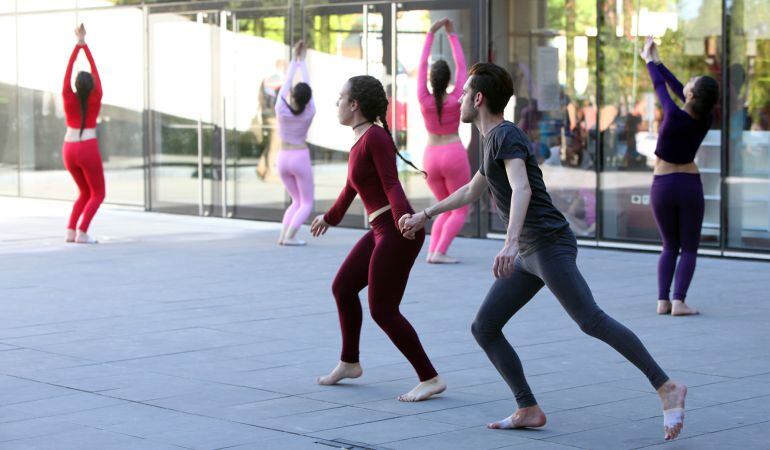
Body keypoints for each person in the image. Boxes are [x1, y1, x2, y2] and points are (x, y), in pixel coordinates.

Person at [400, 62, 688, 440]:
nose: (459, 98)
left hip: (548, 244)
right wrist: (426, 213)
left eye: (465, 91)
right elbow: (471, 191)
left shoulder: (505, 136)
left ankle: (666, 386)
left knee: (591, 320)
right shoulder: (491, 141)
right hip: (529, 250)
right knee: (484, 327)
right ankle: (528, 408)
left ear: (479, 97)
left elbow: (522, 188)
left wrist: (510, 243)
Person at [310, 75, 445, 402]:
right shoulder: (361, 139)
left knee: (383, 309)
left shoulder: (375, 139)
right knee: (342, 287)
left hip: (398, 230)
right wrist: (329, 218)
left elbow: (391, 184)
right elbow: (351, 189)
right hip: (382, 229)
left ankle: (430, 378)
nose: (337, 103)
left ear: (354, 104)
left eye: (341, 97)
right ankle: (350, 362)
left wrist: (402, 218)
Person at [641, 37, 718, 316]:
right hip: (688, 185)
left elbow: (662, 87)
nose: (686, 82)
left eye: (691, 82)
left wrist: (649, 61)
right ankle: (679, 301)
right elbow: (675, 87)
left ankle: (663, 301)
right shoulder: (705, 119)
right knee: (689, 248)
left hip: (662, 185)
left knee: (669, 246)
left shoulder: (672, 115)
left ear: (692, 95)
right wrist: (659, 60)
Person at [418, 18, 470, 264]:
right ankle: (439, 252)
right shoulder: (457, 96)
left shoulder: (423, 97)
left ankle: (432, 252)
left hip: (430, 156)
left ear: (430, 79)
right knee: (460, 208)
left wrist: (430, 35)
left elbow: (419, 67)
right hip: (453, 153)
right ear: (447, 78)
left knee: (443, 206)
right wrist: (452, 35)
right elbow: (462, 66)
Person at [62, 24, 104, 244]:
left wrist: (78, 44)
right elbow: (94, 70)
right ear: (93, 85)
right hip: (87, 146)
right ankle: (82, 232)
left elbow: (68, 71)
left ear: (76, 85)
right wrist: (85, 44)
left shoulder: (67, 96)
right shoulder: (96, 96)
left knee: (84, 192)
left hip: (68, 148)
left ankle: (70, 231)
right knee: (98, 194)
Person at [276, 41, 316, 246]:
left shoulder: (281, 110)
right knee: (306, 202)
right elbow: (307, 86)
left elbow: (287, 81)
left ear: (292, 95)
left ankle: (283, 236)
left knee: (296, 201)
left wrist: (295, 60)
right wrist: (304, 62)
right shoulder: (310, 112)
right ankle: (290, 236)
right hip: (300, 156)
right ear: (308, 98)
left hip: (282, 158)